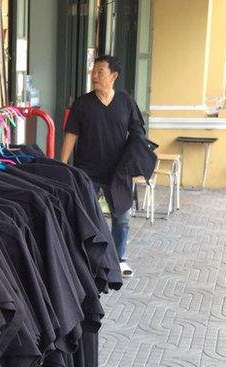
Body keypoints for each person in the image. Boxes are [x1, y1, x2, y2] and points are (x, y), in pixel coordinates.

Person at [59, 54, 145, 278]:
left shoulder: (126, 102)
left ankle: (119, 259)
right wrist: (63, 165)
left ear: (113, 76)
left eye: (100, 72)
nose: (94, 76)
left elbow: (138, 133)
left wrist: (136, 160)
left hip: (118, 172)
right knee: (85, 215)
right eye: (93, 71)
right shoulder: (83, 104)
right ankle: (86, 259)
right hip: (87, 171)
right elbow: (71, 135)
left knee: (122, 217)